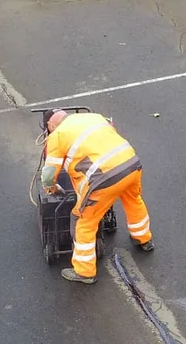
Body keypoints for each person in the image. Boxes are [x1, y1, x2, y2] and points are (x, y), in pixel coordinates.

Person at [41, 108, 153, 284]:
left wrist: (51, 188)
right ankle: (143, 239)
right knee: (133, 201)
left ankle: (84, 271)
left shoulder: (58, 135)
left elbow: (49, 174)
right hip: (131, 165)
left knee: (82, 220)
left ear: (50, 125)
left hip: (103, 179)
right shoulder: (93, 117)